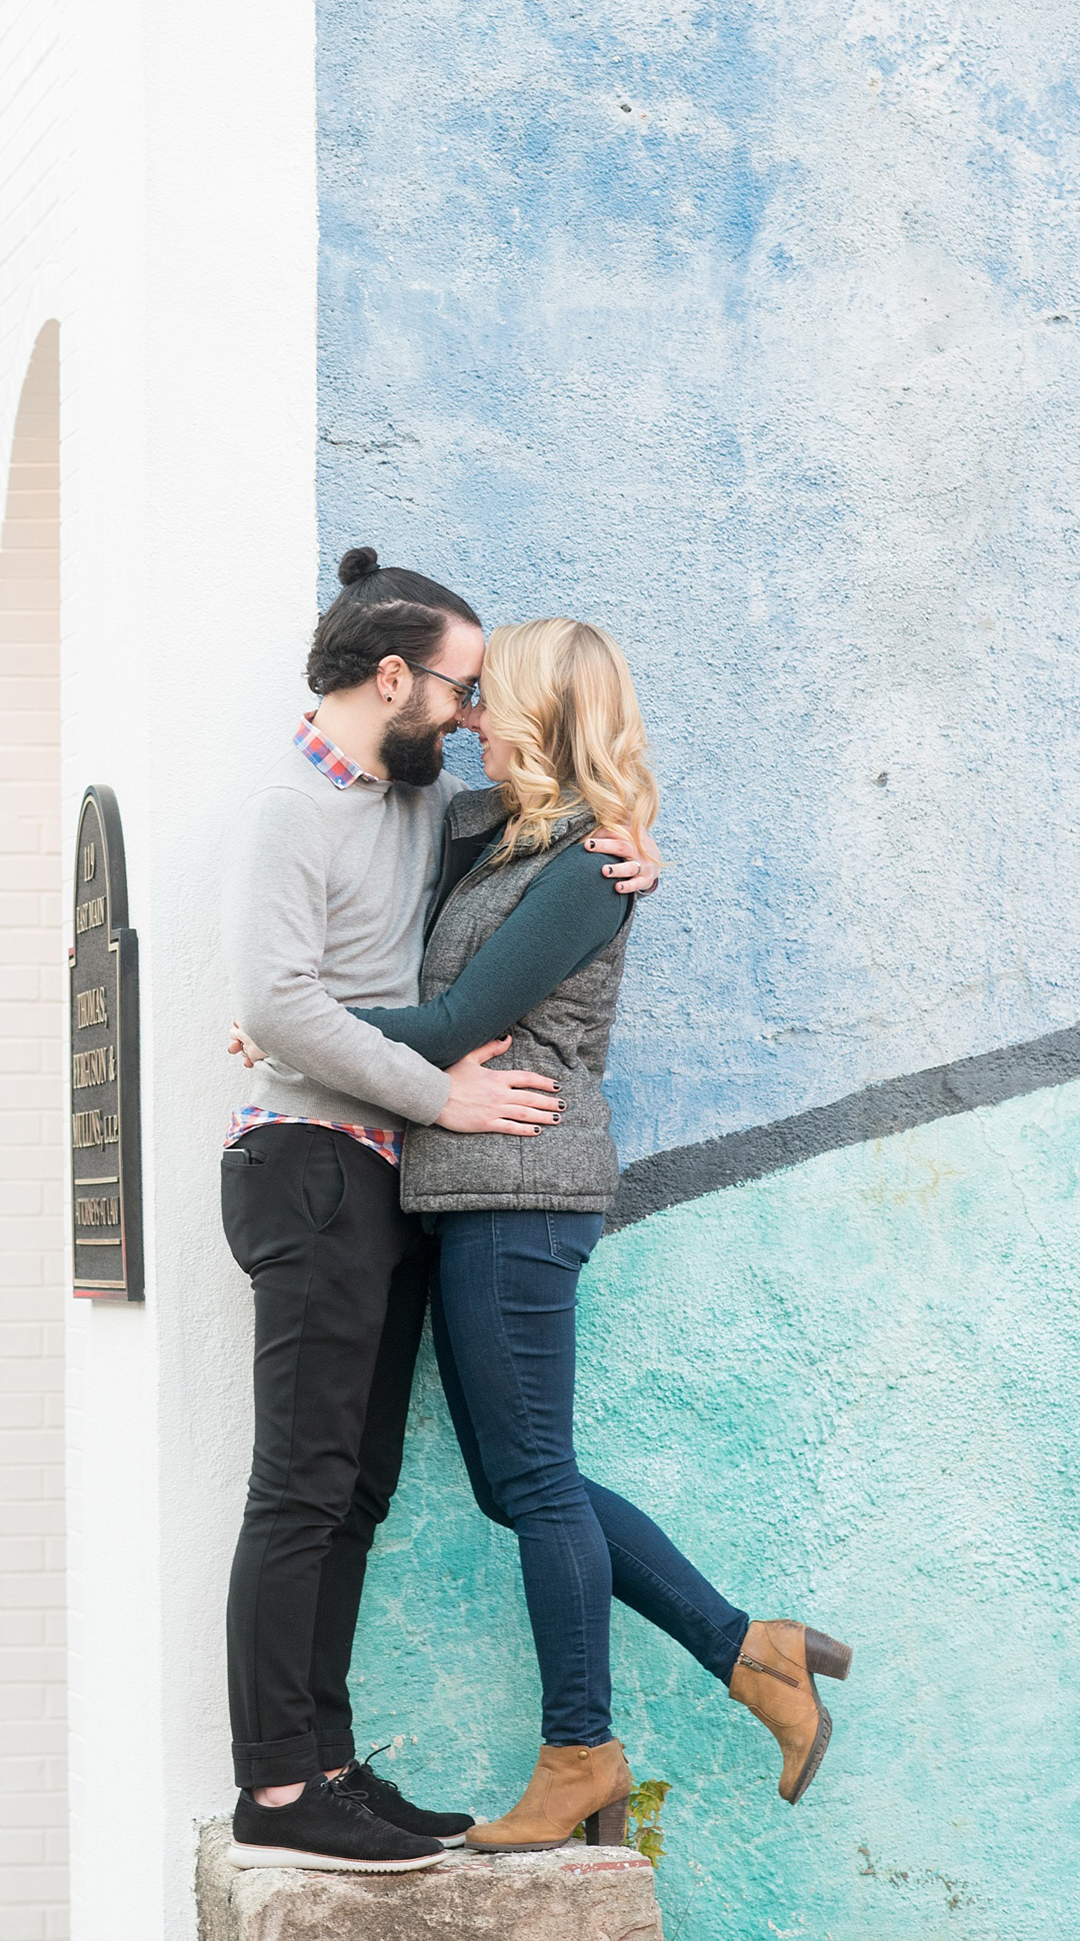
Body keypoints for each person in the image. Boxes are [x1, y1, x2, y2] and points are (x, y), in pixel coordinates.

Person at [341, 615, 853, 1850]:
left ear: (542, 710)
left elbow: (465, 1010)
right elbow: (448, 819)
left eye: (490, 698)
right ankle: (750, 1648)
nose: (469, 717)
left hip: (523, 1184)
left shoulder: (584, 868)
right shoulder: (496, 837)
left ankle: (581, 1748)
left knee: (532, 1481)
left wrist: (306, 1020)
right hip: (474, 1186)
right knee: (521, 1482)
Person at [218, 552, 658, 1872]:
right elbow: (277, 1007)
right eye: (461, 691)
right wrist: (433, 1091)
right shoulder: (291, 812)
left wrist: (617, 833)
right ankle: (278, 1789)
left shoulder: (429, 810)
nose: (474, 718)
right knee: (299, 1484)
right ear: (394, 676)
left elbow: (538, 860)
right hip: (306, 1157)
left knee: (359, 1487)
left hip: (387, 1171)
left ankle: (332, 1762)